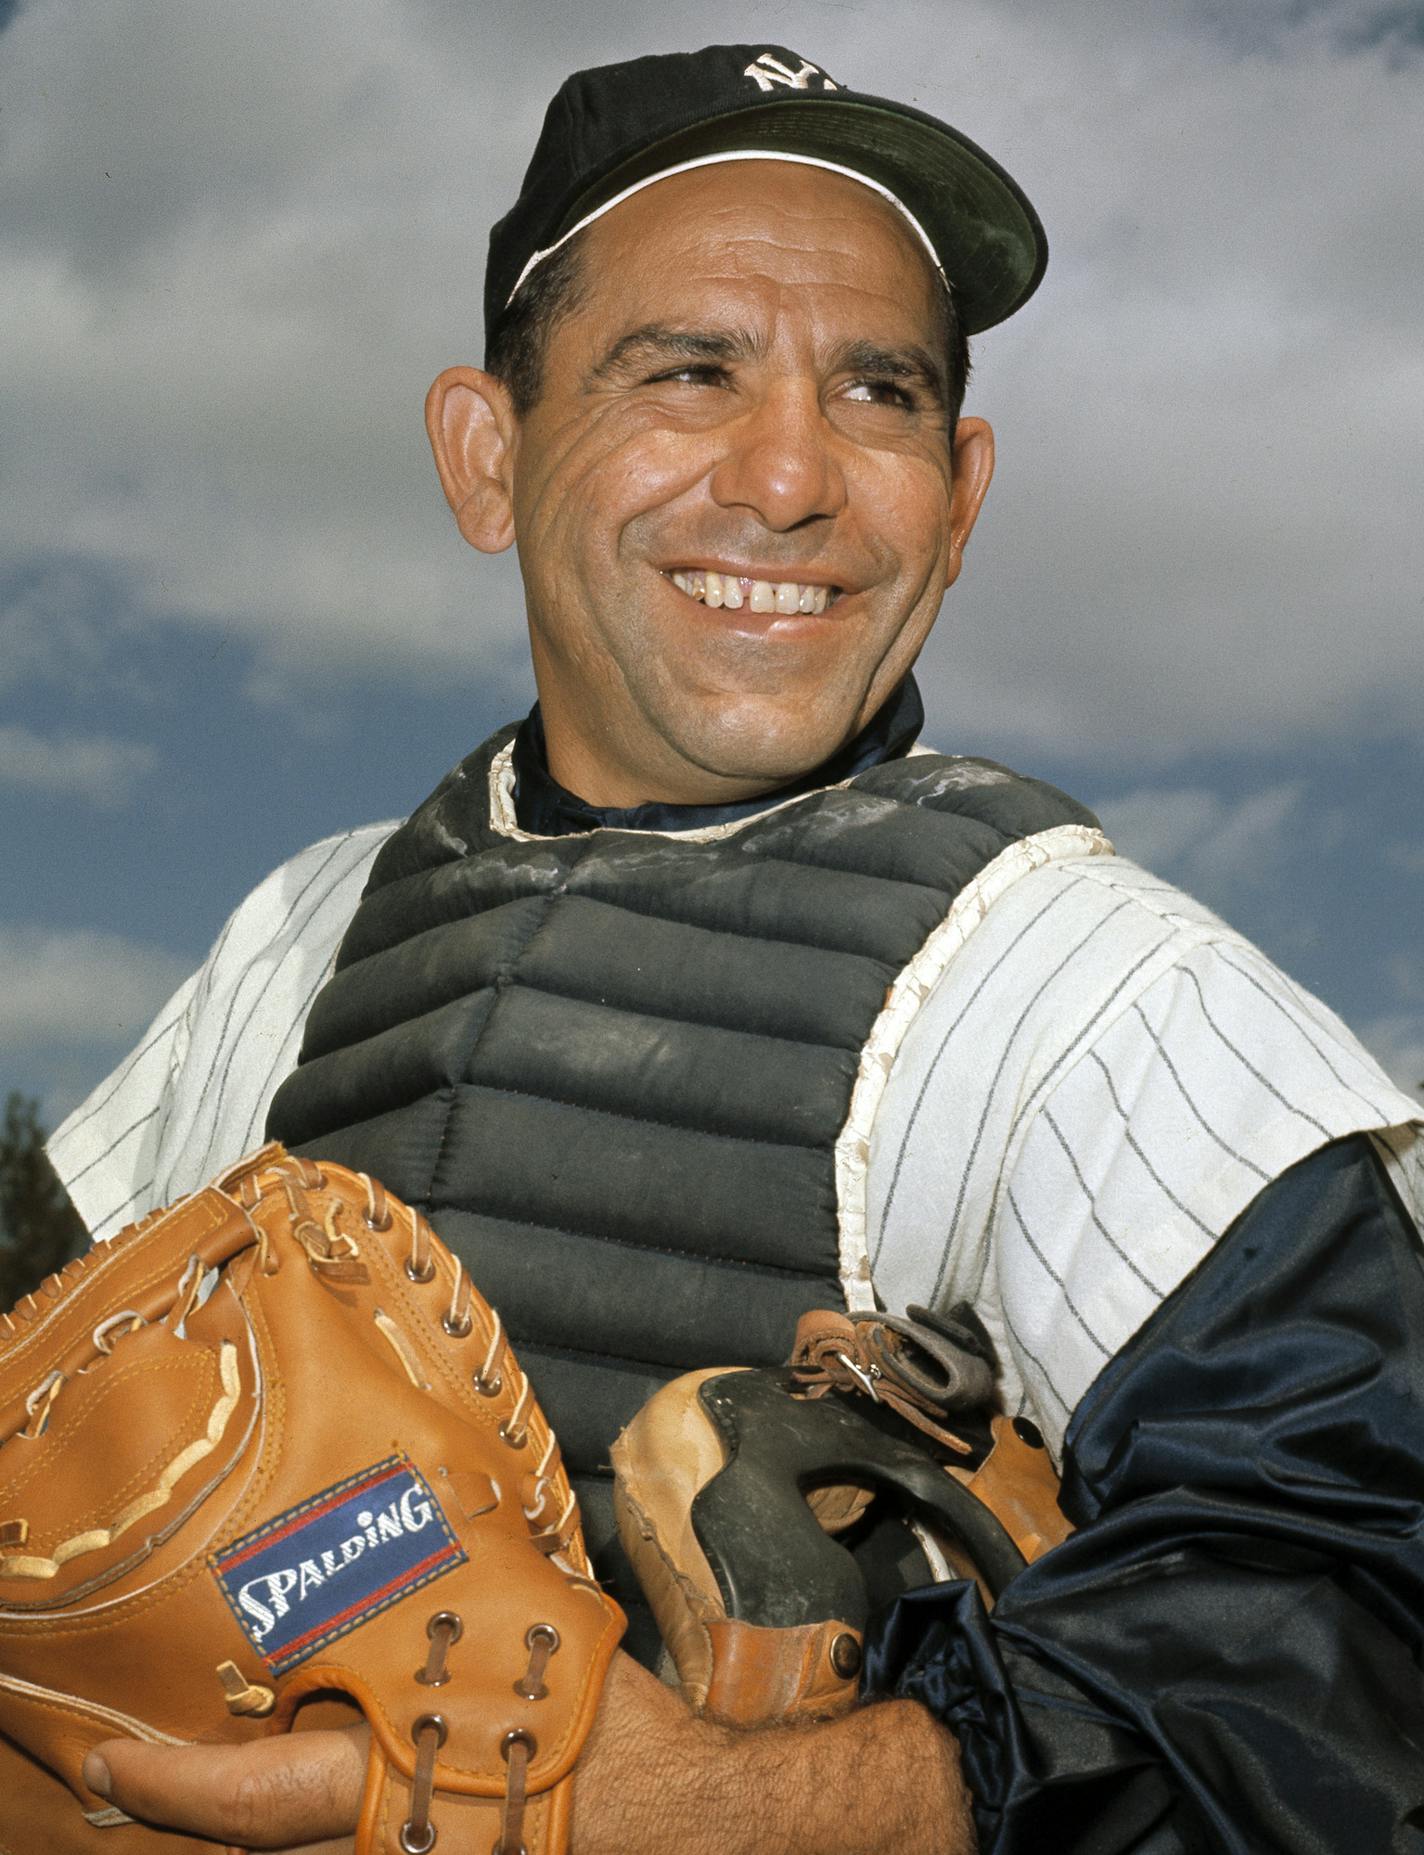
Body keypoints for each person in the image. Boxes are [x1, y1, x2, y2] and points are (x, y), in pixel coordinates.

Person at [49, 42, 1424, 1854]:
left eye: (879, 393)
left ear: (964, 488)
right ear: (487, 453)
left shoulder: (1085, 987)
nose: (791, 479)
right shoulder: (299, 936)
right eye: (690, 370)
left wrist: (734, 1811)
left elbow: (1352, 1629)